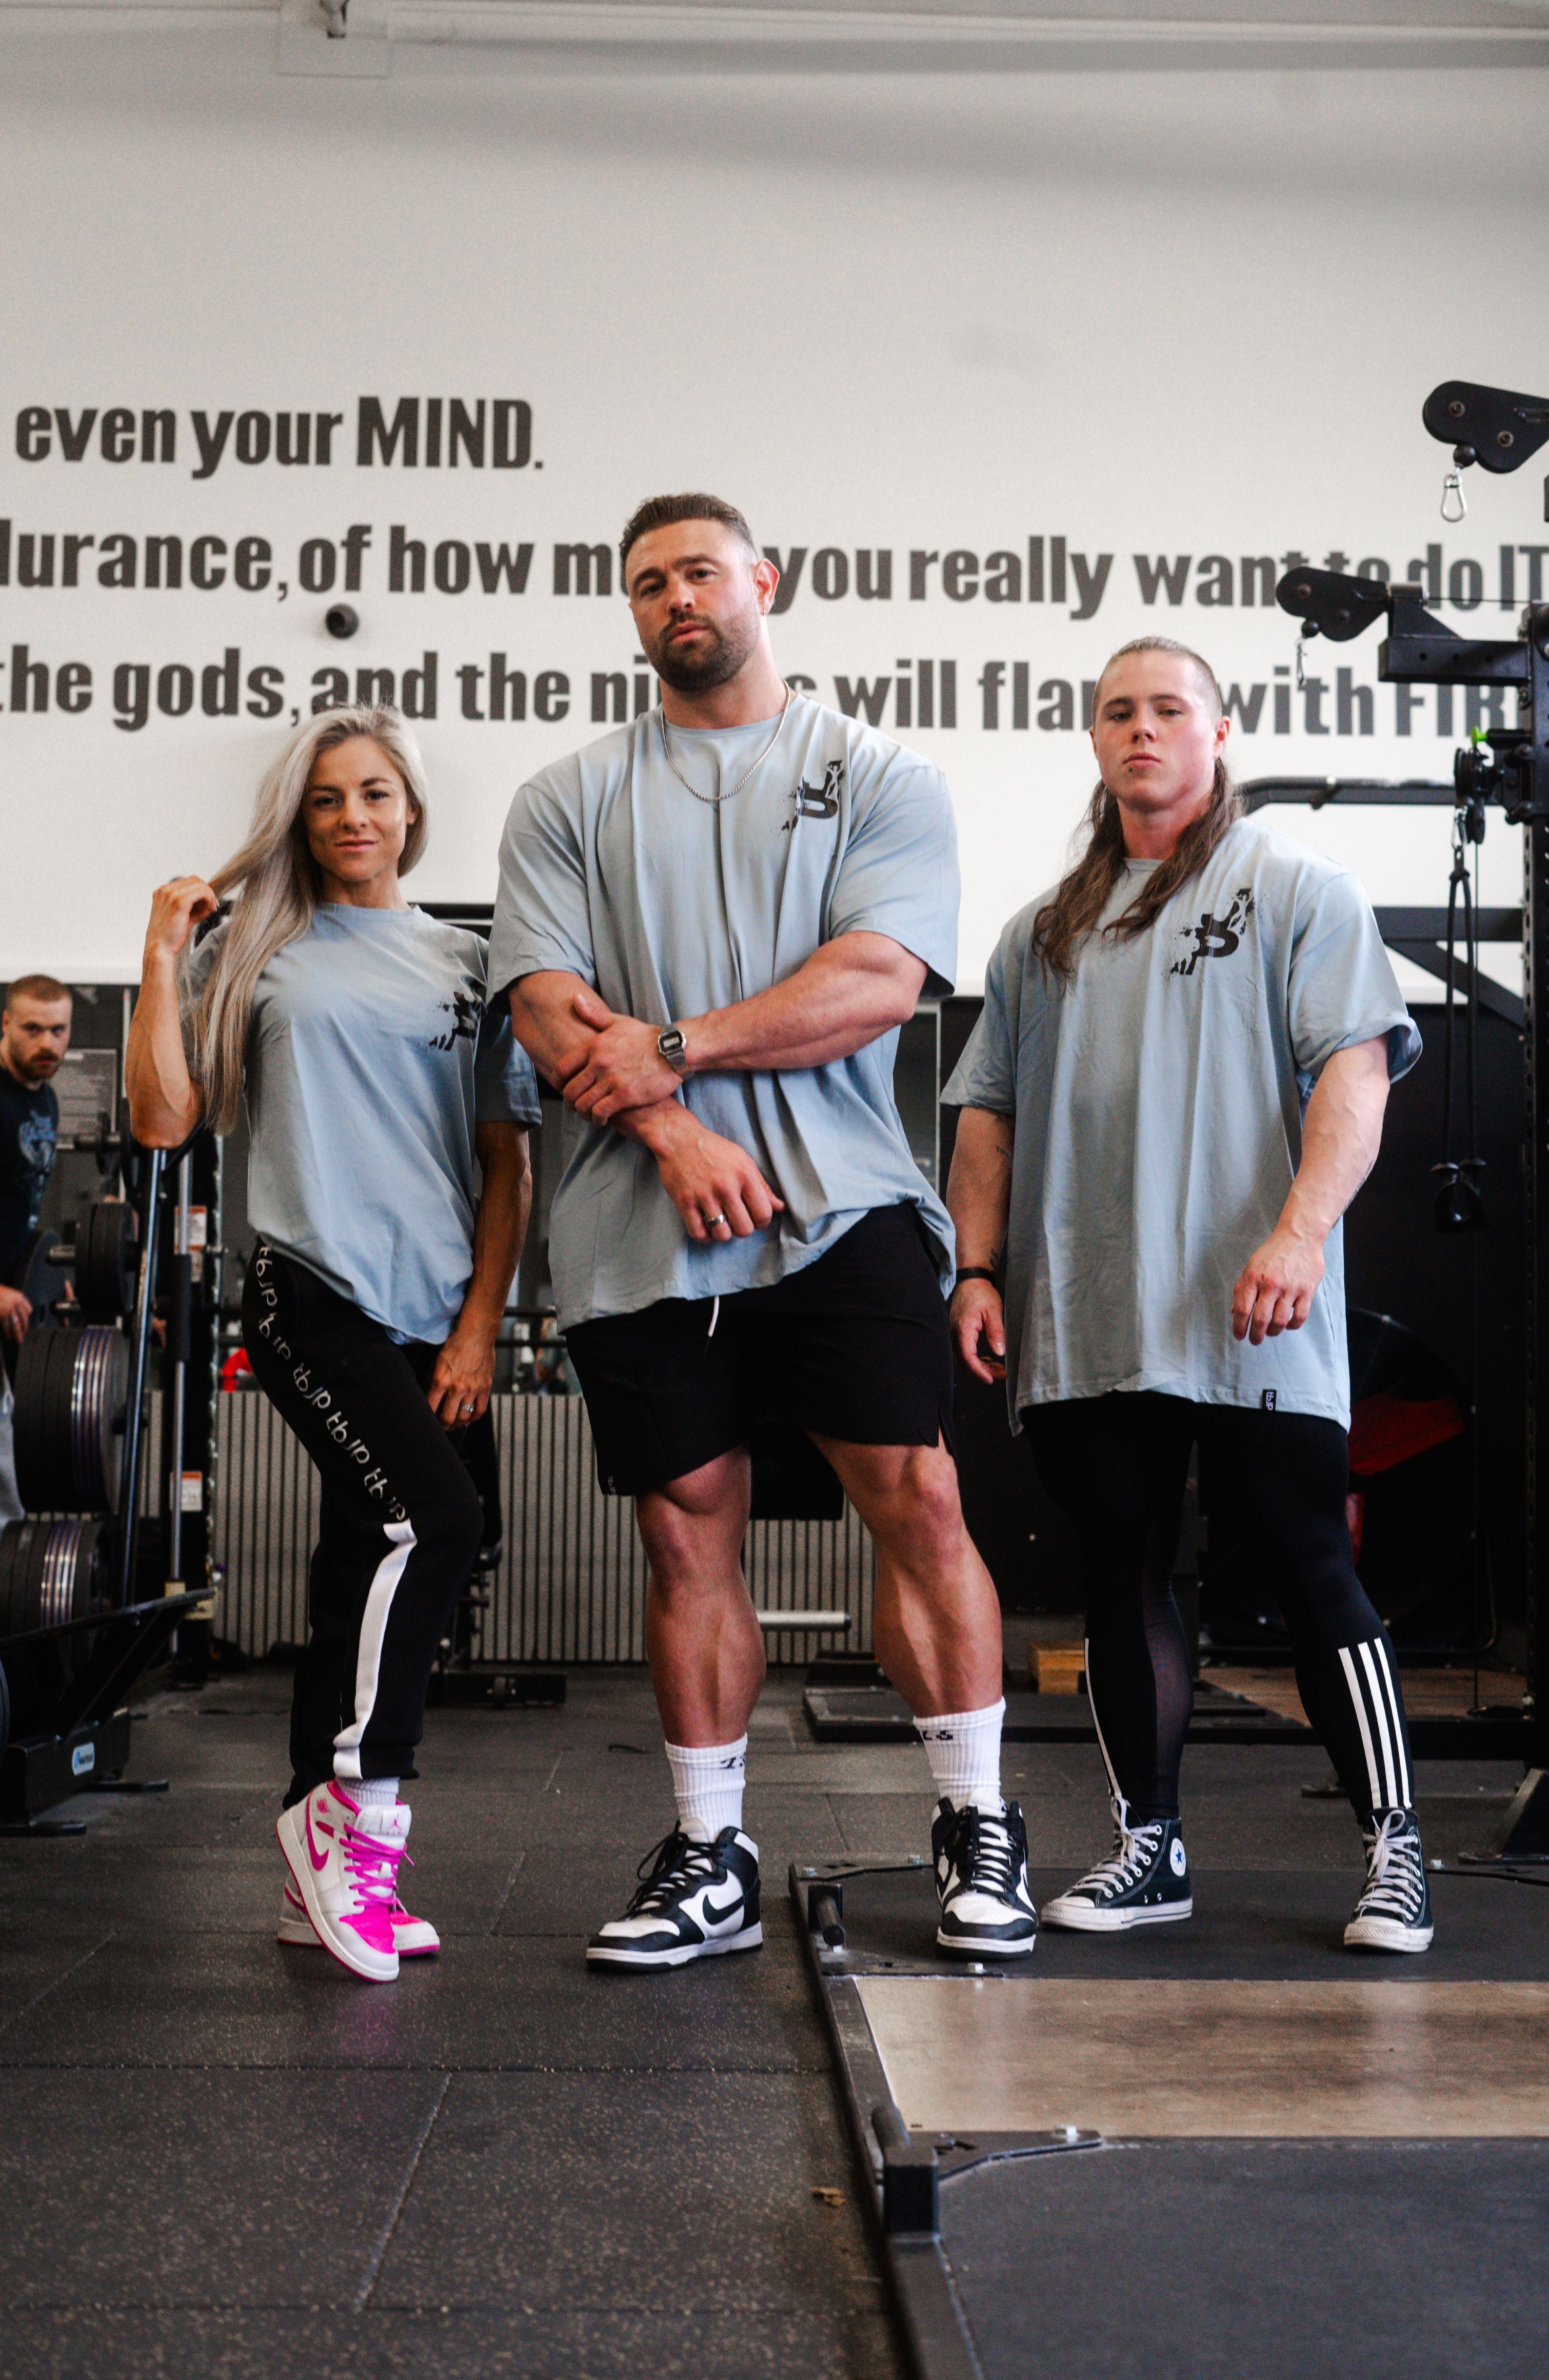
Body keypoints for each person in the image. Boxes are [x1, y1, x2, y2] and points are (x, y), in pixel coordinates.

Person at [491, 491, 1032, 1972]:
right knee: (685, 1531)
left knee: (916, 1499)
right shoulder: (565, 795)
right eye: (648, 580)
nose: (677, 596)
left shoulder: (873, 771)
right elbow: (545, 1005)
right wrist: (670, 1127)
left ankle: (977, 1819)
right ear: (630, 608)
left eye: (700, 571)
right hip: (632, 1217)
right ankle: (709, 1847)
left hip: (841, 1199)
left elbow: (871, 979)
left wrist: (666, 1048)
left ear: (762, 583)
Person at [944, 634, 1433, 1954]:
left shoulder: (1290, 882)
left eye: (1168, 709)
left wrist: (1295, 1232)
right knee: (1118, 1568)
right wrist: (976, 1266)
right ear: (1092, 740)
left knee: (1307, 1560)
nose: (1140, 730)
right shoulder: (1039, 930)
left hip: (1248, 1300)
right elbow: (981, 1113)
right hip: (1089, 1307)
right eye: (1117, 712)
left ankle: (1393, 1846)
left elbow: (1354, 1071)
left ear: (1218, 730)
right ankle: (1147, 1844)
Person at [126, 705, 539, 1984]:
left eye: (374, 793)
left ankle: (319, 1858)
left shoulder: (467, 964)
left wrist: (479, 1325)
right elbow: (160, 1118)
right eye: (325, 800)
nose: (353, 816)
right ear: (298, 823)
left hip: (432, 1313)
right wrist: (158, 952)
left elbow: (501, 1162)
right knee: (437, 1520)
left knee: (372, 1546)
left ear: (412, 810)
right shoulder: (264, 951)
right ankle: (358, 1812)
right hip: (309, 1290)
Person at [0, 975, 73, 1617]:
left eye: (57, 1029)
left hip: (1, 1318)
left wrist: (36, 1280)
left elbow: (20, 1210)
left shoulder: (45, 1101)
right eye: (32, 1028)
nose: (47, 1042)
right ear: (6, 1023)